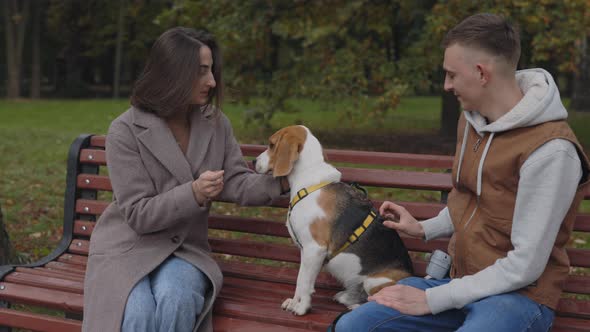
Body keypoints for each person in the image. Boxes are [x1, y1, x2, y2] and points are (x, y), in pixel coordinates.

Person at [333, 13, 589, 331]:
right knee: (355, 325)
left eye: (452, 75)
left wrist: (431, 300)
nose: (446, 85)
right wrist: (424, 228)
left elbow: (525, 266)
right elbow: (474, 201)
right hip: (460, 286)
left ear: (481, 73)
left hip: (520, 298)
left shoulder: (551, 150)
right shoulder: (470, 121)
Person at [82, 27, 287, 332]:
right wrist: (194, 193)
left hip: (185, 249)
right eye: (202, 71)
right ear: (174, 73)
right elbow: (138, 214)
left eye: (212, 70)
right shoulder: (125, 130)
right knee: (137, 314)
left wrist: (287, 179)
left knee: (176, 298)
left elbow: (237, 181)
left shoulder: (215, 123)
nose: (212, 81)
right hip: (126, 249)